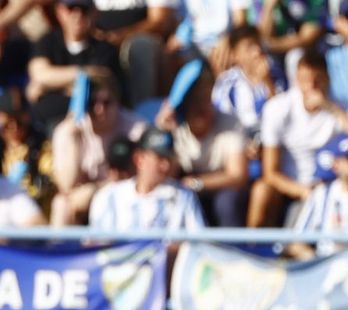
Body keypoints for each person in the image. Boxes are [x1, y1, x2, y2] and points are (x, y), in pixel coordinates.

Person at [251, 49, 348, 227]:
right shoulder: (277, 108)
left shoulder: (342, 110)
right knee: (261, 190)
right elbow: (270, 172)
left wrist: (330, 109)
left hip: (329, 187)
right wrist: (301, 190)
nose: (311, 86)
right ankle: (253, 246)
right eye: (305, 80)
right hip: (289, 187)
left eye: (317, 80)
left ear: (327, 78)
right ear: (296, 80)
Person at [49, 71, 144, 225]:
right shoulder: (67, 130)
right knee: (61, 204)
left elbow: (143, 178)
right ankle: (60, 249)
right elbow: (67, 185)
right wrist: (73, 137)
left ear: (117, 102)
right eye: (92, 103)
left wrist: (97, 190)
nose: (99, 110)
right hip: (81, 205)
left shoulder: (136, 129)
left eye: (106, 103)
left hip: (124, 196)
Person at [170, 67, 250, 227]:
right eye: (195, 101)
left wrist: (197, 183)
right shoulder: (174, 128)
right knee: (176, 197)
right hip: (189, 189)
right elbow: (167, 175)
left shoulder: (231, 123)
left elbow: (238, 175)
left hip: (224, 187)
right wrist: (165, 133)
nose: (201, 108)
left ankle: (232, 250)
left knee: (226, 202)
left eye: (205, 100)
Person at [25, 0, 120, 136]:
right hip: (41, 126)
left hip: (87, 127)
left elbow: (102, 83)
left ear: (94, 14)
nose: (77, 15)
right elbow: (40, 74)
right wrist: (86, 75)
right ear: (59, 12)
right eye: (71, 9)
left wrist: (48, 85)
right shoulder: (47, 41)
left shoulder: (104, 49)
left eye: (83, 10)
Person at [88, 129, 206, 230]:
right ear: (139, 159)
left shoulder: (184, 195)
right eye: (159, 158)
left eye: (169, 159)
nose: (166, 166)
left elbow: (198, 243)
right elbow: (97, 246)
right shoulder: (109, 196)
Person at [212, 25, 280, 135]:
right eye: (249, 47)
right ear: (235, 55)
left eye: (258, 44)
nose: (257, 51)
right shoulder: (226, 83)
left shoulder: (276, 73)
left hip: (271, 138)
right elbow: (221, 118)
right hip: (239, 139)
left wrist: (268, 82)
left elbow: (282, 114)